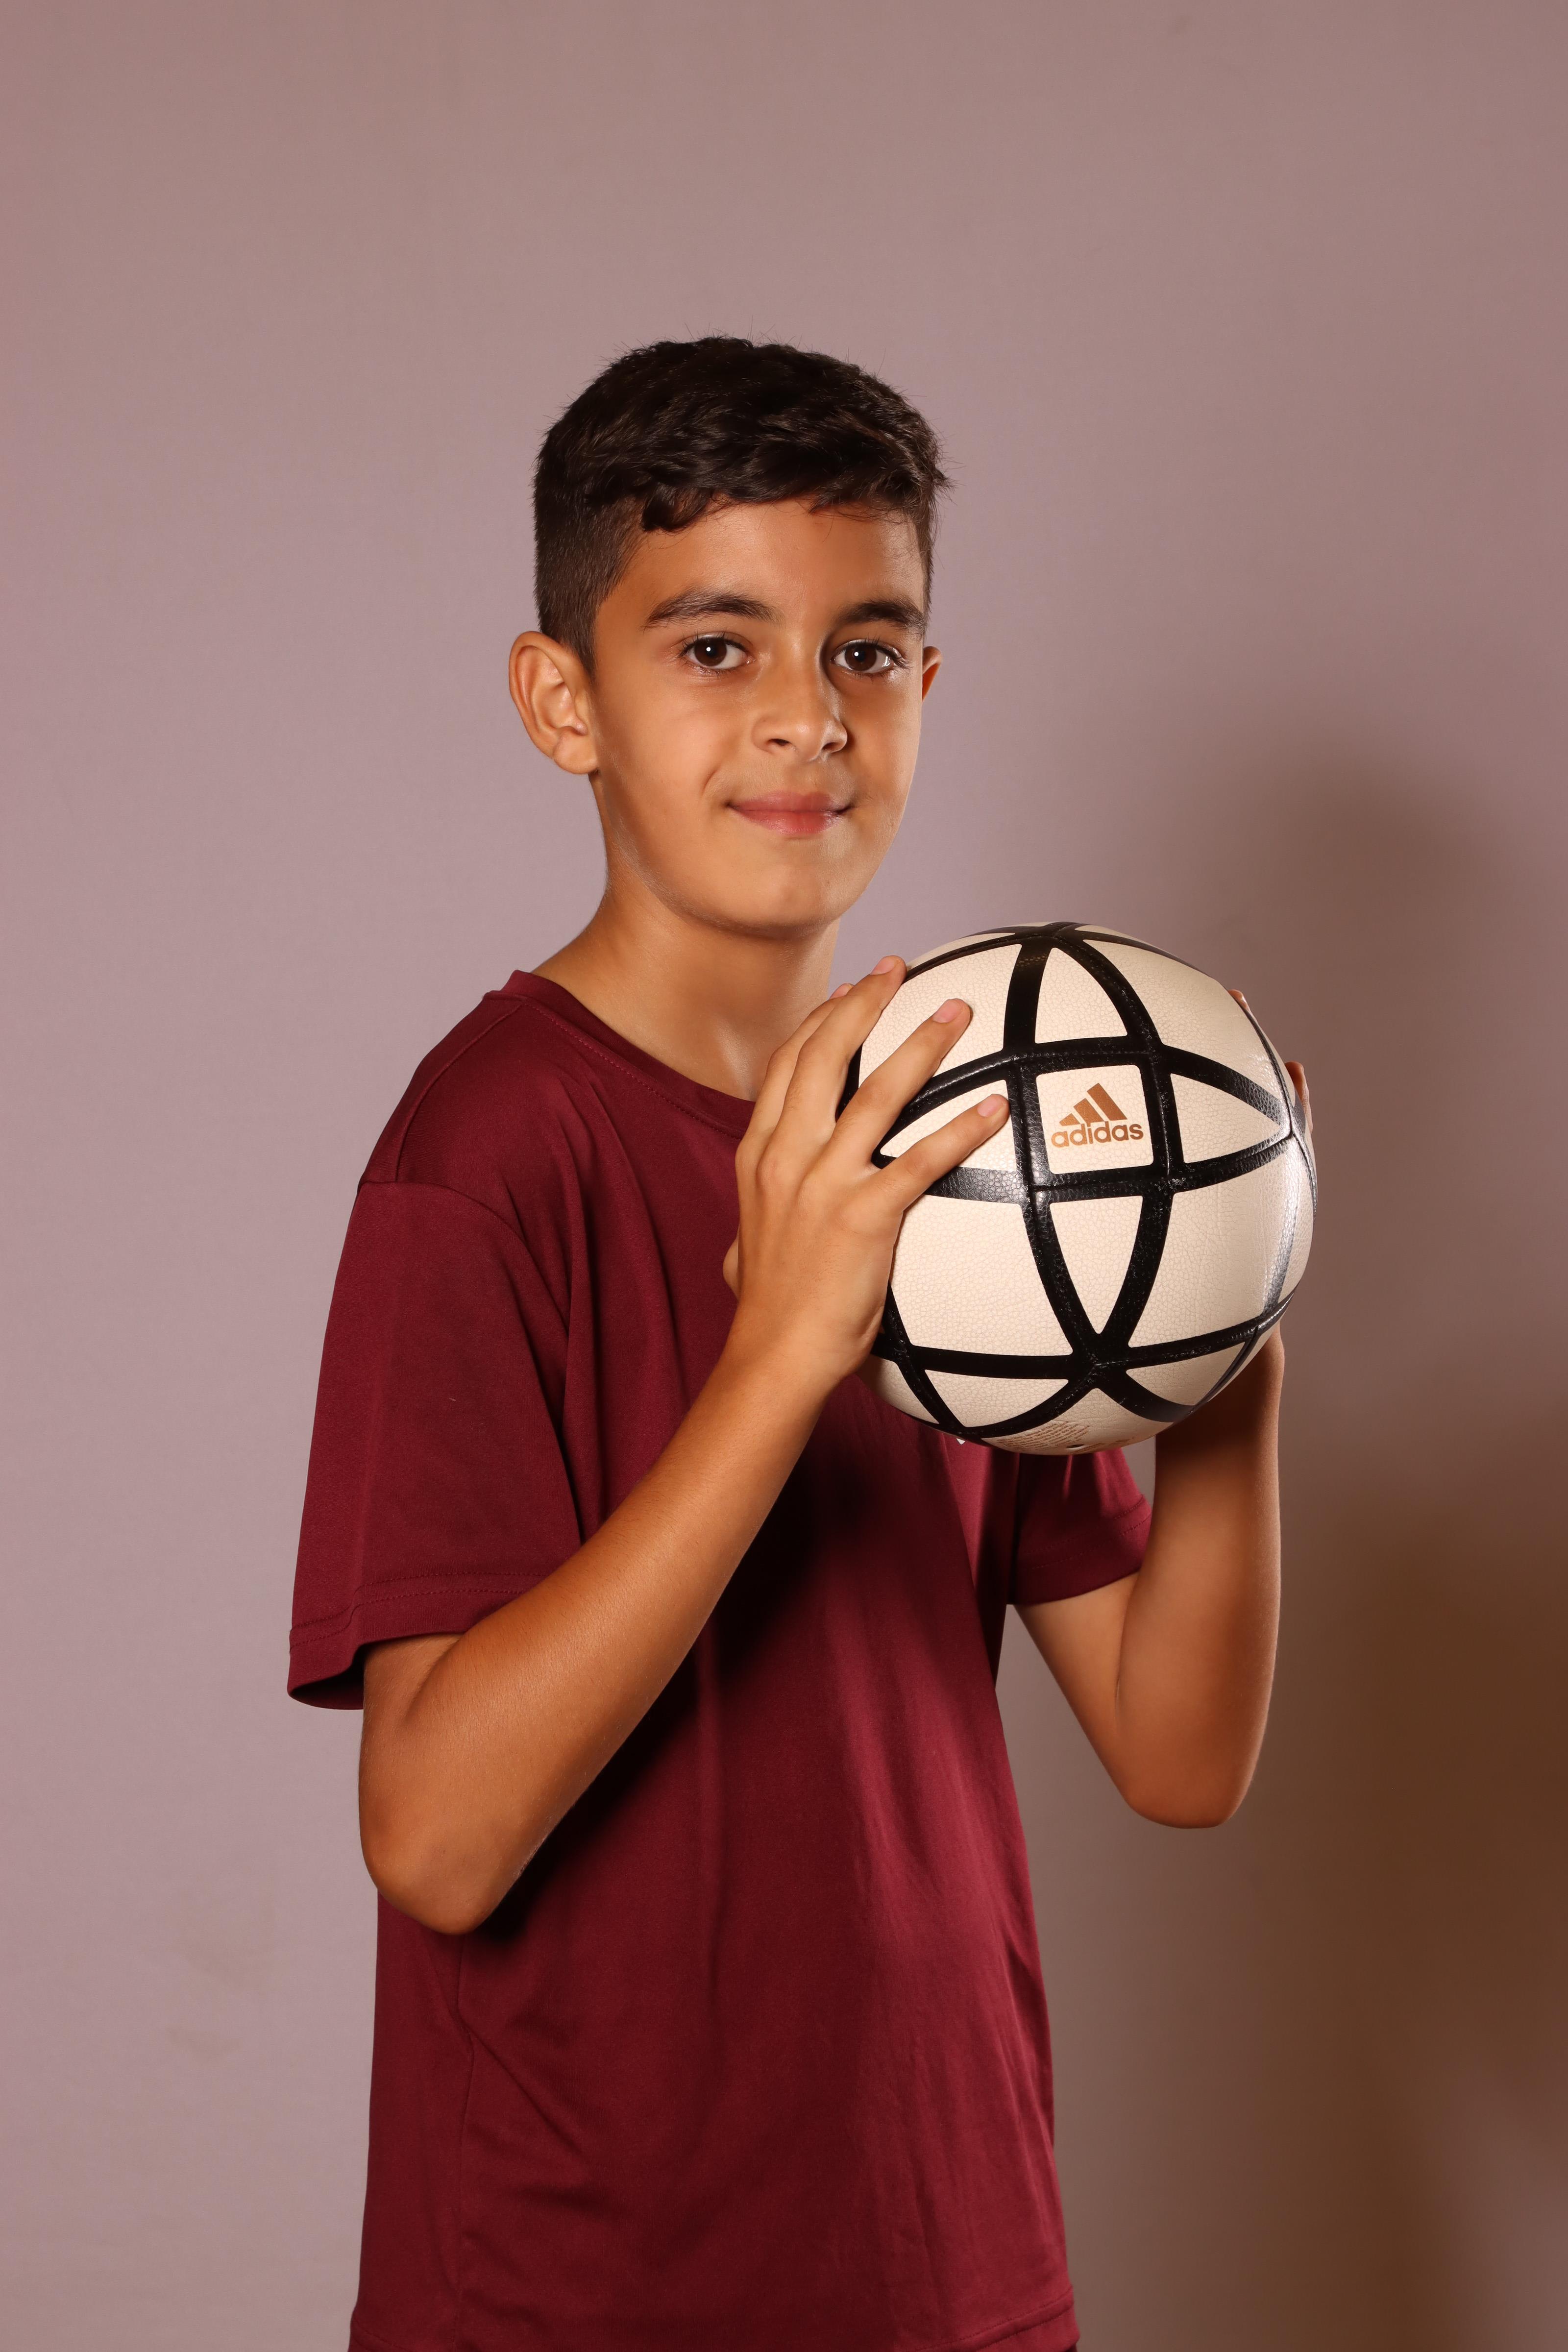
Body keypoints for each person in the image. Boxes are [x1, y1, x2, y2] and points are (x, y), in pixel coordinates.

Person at [289, 337, 1306, 2352]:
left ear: (924, 685)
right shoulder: (489, 1152)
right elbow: (437, 1837)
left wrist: (1224, 1307)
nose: (804, 718)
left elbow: (1181, 1754)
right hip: (585, 2296)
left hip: (949, 2259)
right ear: (563, 701)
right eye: (714, 647)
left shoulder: (976, 1141)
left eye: (866, 651)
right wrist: (777, 1360)